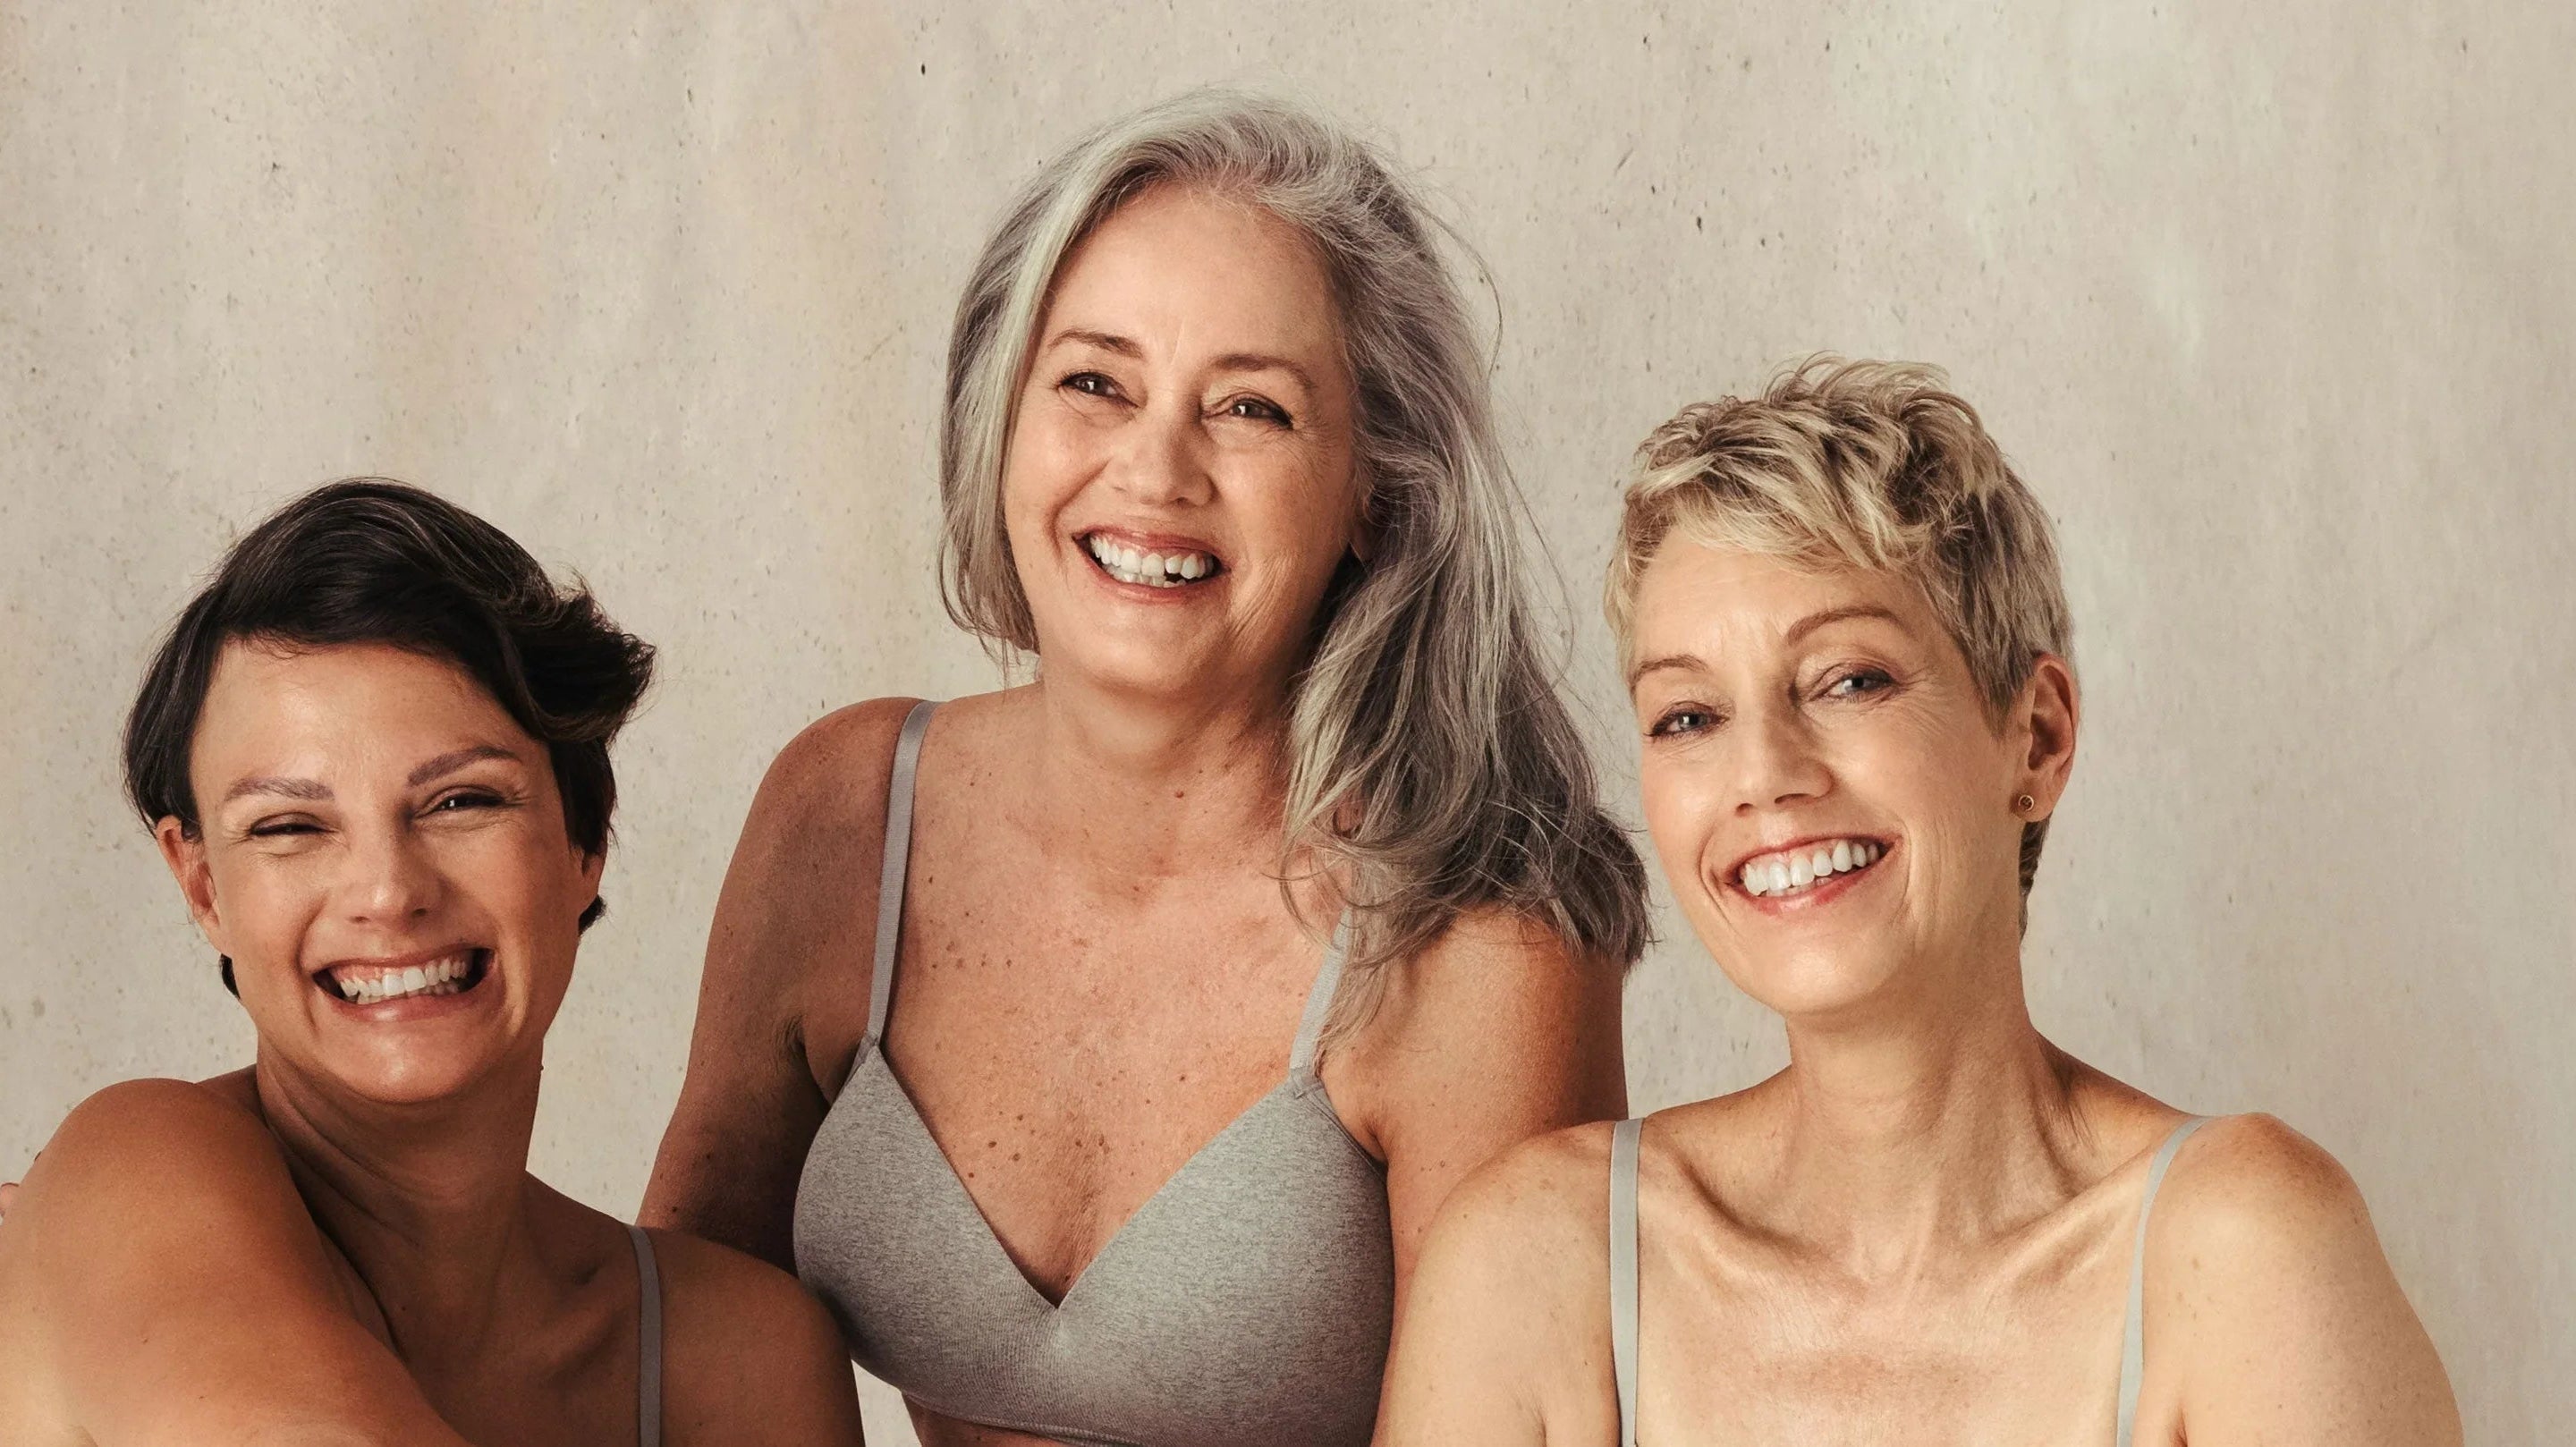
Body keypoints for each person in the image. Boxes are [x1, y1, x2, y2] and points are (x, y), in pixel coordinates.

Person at [643, 89, 1650, 1447]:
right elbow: (670, 1351)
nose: (1155, 468)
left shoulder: (1474, 932)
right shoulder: (845, 808)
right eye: (1094, 382)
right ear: (1002, 419)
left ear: (1376, 487)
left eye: (1251, 407)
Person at [1377, 360, 2461, 1445]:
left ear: (2034, 737)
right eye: (1689, 716)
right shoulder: (1531, 1270)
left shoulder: (2244, 1257)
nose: (1765, 774)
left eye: (1850, 681)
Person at [0, 480, 864, 1446]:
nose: (387, 889)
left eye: (461, 802)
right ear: (203, 888)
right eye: (289, 825)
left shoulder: (740, 1348)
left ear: (585, 840)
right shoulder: (134, 1167)